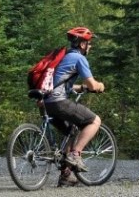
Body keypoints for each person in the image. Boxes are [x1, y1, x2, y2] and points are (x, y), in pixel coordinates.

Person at [43, 27, 105, 187]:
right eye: (89, 43)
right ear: (83, 44)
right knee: (95, 121)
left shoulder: (63, 58)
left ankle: (66, 175)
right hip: (59, 102)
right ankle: (76, 154)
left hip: (46, 102)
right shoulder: (79, 59)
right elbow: (92, 84)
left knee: (71, 130)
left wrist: (80, 88)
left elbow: (63, 84)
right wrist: (99, 86)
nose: (90, 47)